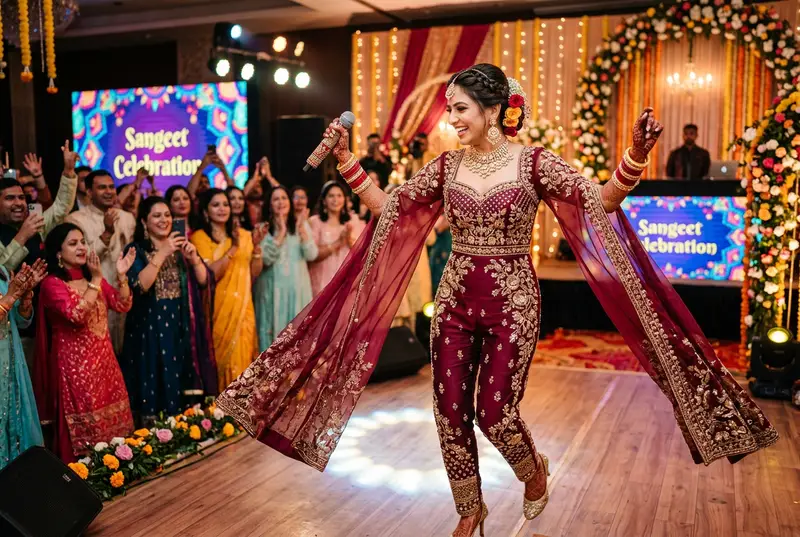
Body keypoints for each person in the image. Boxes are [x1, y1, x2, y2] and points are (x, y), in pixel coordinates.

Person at [214, 64, 777, 537]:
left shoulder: (534, 163)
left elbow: (601, 202)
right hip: (455, 300)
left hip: (513, 303)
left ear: (491, 109)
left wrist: (634, 155)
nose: (452, 120)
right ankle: (470, 509)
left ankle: (533, 469)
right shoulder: (446, 167)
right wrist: (346, 162)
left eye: (460, 109)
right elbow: (391, 208)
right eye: (449, 110)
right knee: (448, 408)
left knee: (495, 411)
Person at [34, 223, 136, 462]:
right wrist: (97, 279)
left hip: (105, 365)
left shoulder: (93, 280)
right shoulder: (52, 284)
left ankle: (116, 467)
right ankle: (88, 471)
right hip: (75, 369)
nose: (81, 247)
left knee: (114, 425)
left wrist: (122, 276)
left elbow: (122, 304)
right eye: (73, 243)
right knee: (85, 429)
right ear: (58, 253)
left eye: (83, 242)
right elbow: (77, 315)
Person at [121, 197, 217, 423]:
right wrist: (162, 253)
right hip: (149, 330)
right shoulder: (135, 250)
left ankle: (184, 429)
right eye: (156, 215)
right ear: (144, 221)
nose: (164, 220)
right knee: (152, 377)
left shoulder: (181, 248)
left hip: (180, 326)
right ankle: (156, 434)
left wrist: (194, 259)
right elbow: (140, 285)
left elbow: (204, 281)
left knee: (180, 377)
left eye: (167, 215)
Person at [190, 189, 266, 392]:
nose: (222, 209)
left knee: (243, 362)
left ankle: (241, 410)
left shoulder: (245, 235)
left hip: (243, 311)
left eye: (225, 204)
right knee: (219, 364)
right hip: (216, 311)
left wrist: (256, 248)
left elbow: (254, 273)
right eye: (216, 205)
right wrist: (233, 248)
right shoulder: (199, 238)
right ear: (205, 211)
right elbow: (210, 275)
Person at [66, 170, 136, 355]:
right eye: (102, 187)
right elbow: (79, 259)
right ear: (89, 192)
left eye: (112, 187)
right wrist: (107, 234)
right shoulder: (76, 220)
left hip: (123, 293)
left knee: (125, 350)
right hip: (94, 295)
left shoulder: (127, 218)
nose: (109, 192)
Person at [254, 185, 318, 349]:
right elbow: (266, 259)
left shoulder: (299, 225)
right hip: (271, 292)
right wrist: (281, 232)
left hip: (297, 291)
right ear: (269, 204)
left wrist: (302, 230)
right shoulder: (262, 229)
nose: (281, 202)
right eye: (276, 199)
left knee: (296, 343)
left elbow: (312, 254)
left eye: (284, 198)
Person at [0, 141, 78, 272]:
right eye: (10, 198)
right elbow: (2, 271)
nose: (18, 203)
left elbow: (61, 207)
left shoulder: (34, 225)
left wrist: (69, 171)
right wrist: (22, 235)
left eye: (21, 198)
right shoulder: (26, 229)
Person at [0, 260, 47, 470]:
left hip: (12, 365)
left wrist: (25, 299)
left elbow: (19, 321)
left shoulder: (2, 272)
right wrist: (9, 298)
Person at [307, 181, 364, 296]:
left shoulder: (353, 220)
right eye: (331, 196)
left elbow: (361, 253)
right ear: (324, 200)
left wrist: (348, 238)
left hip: (346, 280)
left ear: (345, 199)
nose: (335, 200)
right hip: (322, 281)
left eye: (339, 196)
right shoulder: (315, 222)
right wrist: (338, 242)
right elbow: (313, 255)